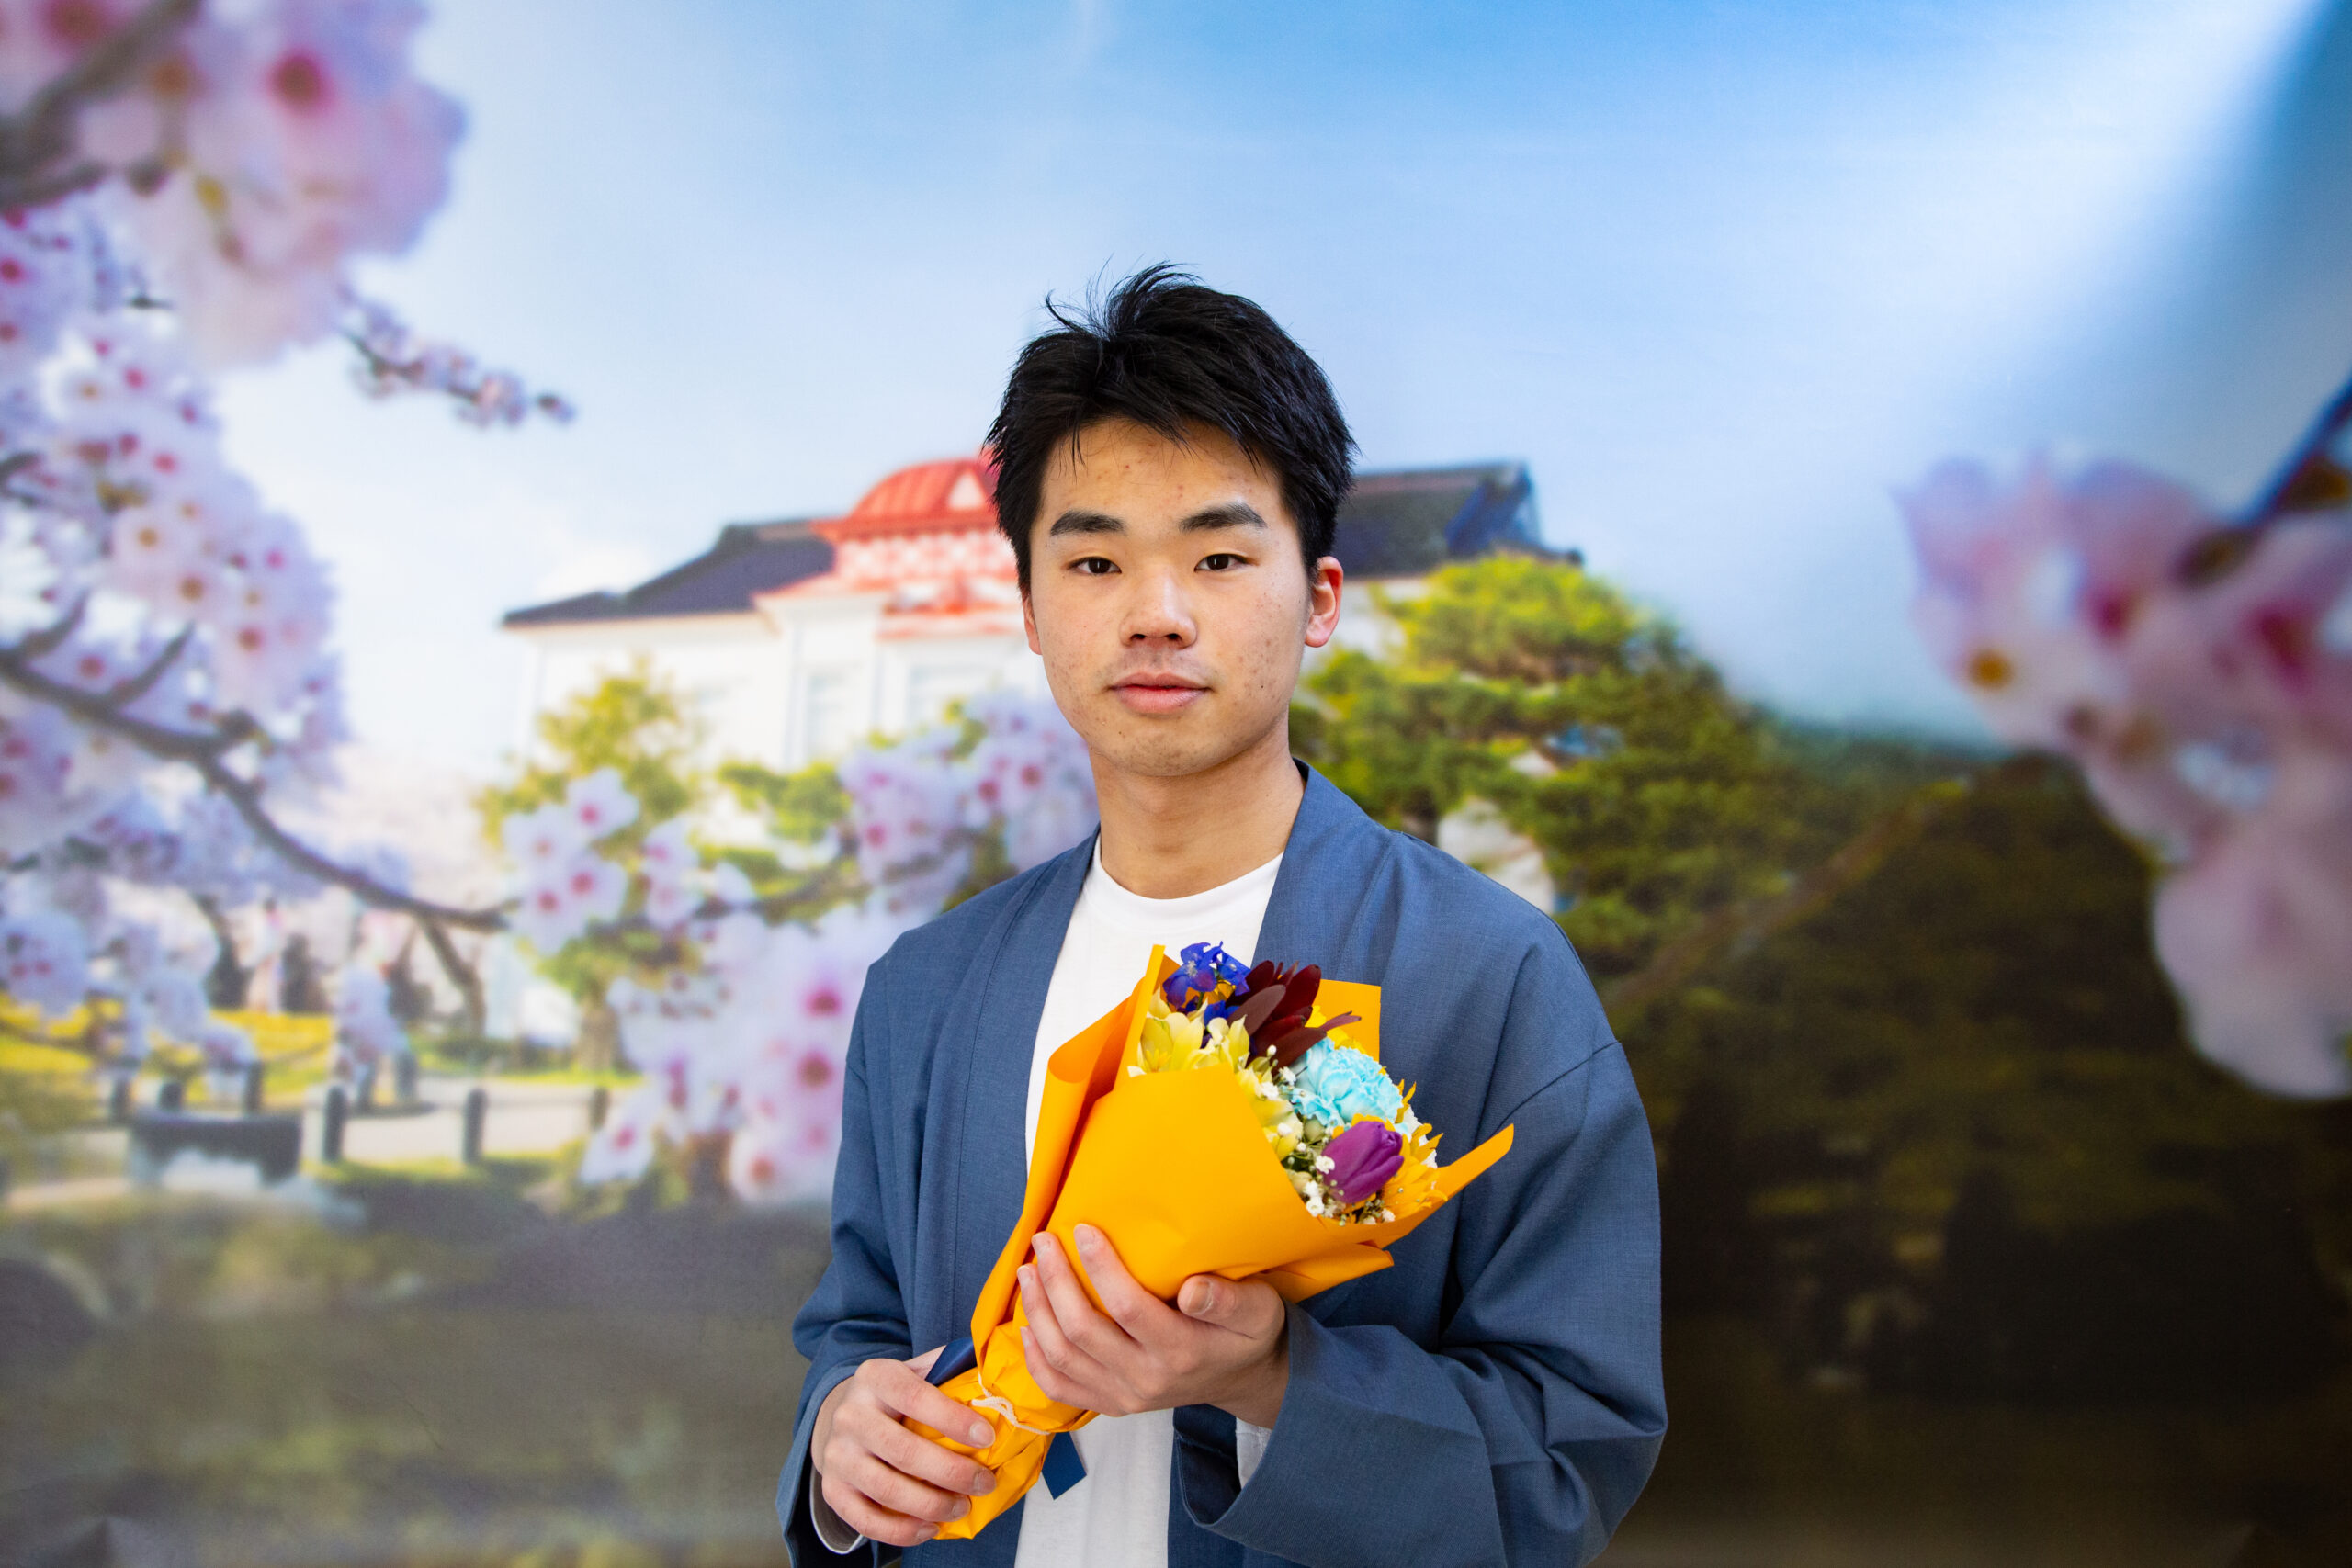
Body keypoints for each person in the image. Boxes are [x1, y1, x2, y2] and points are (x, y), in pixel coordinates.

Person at [777, 265, 1665, 1567]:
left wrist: (1273, 1380)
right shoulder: (931, 985)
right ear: (1029, 608)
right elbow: (858, 1331)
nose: (1157, 613)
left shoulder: (1490, 976)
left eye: (1219, 556)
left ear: (1319, 599)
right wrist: (841, 1438)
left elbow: (1570, 1462)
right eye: (1094, 560)